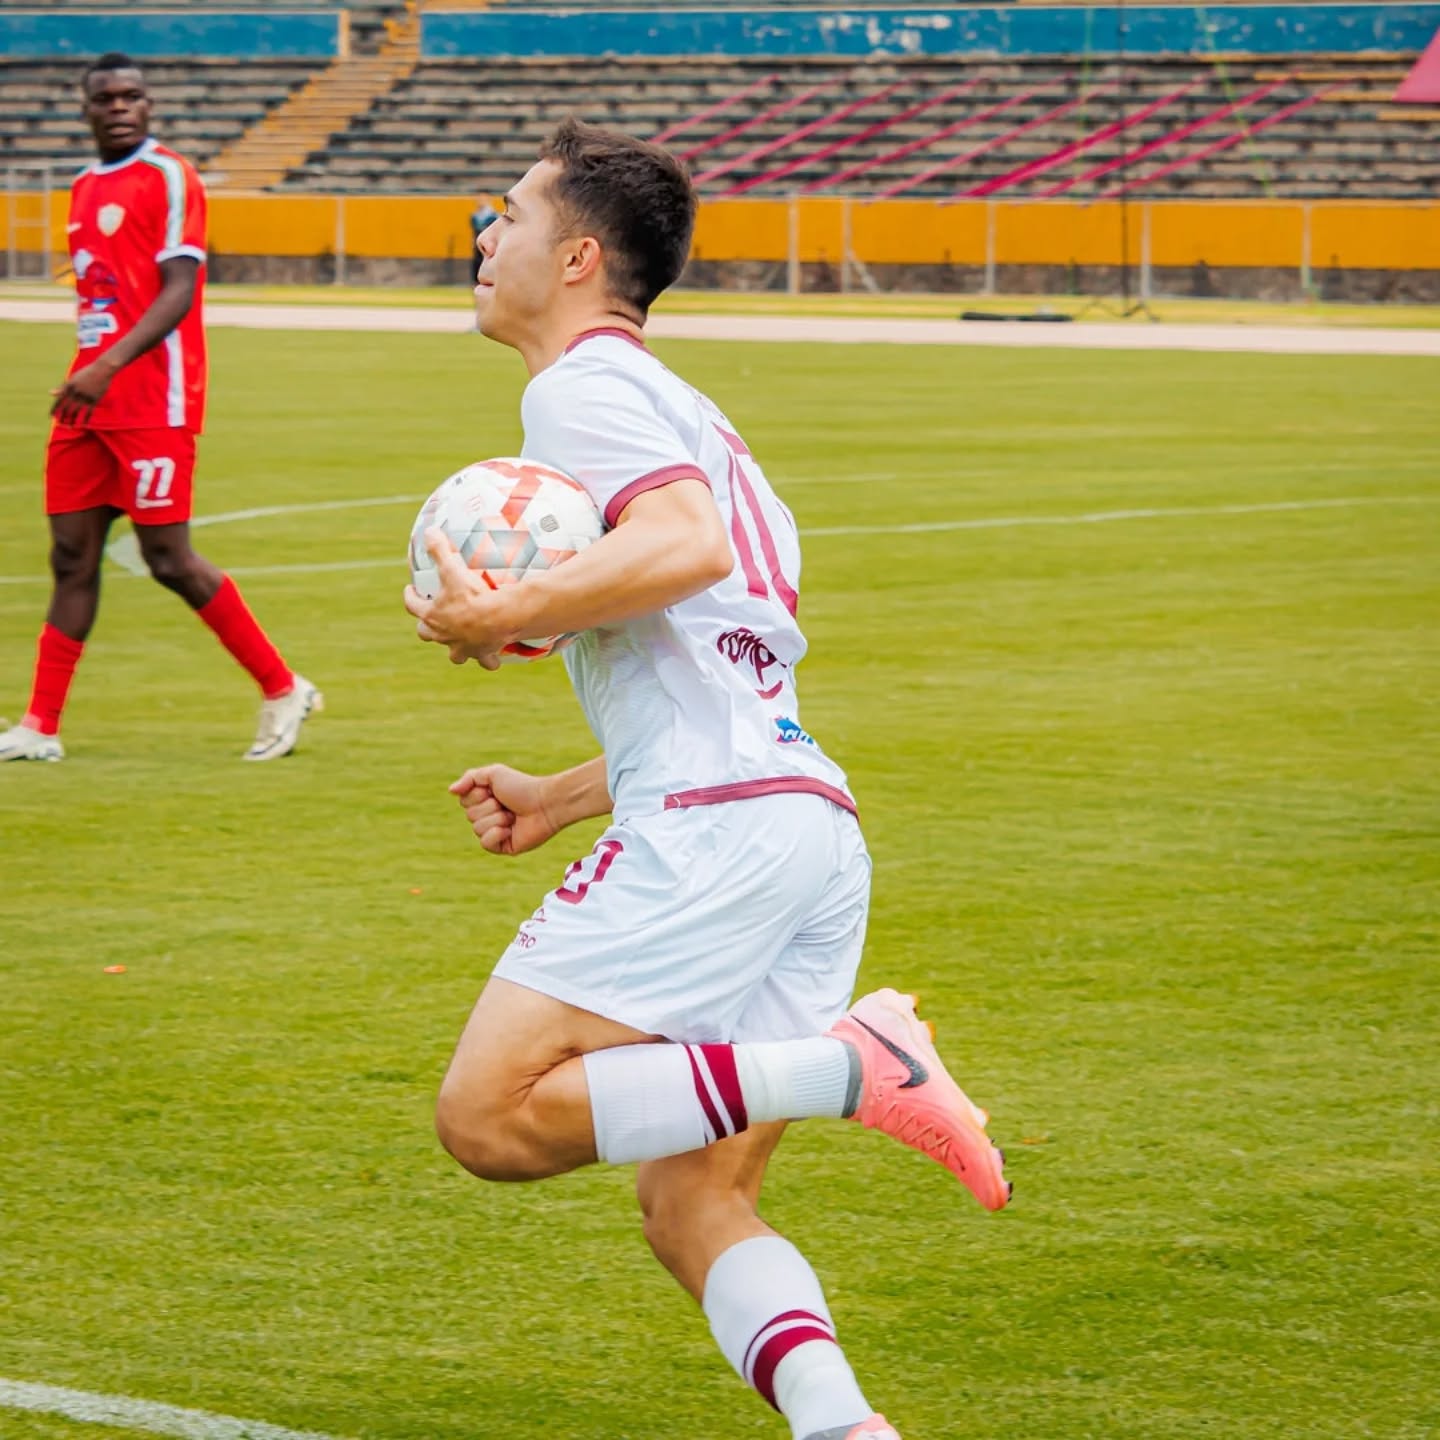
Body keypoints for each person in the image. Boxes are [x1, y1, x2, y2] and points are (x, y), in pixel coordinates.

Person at [404, 118, 1010, 1440]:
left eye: (502, 213)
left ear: (573, 256)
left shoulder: (582, 388)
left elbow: (676, 547)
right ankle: (849, 1431)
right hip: (797, 822)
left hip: (721, 835)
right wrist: (566, 792)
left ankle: (855, 1066)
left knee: (490, 1118)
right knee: (692, 1205)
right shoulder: (694, 413)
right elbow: (716, 665)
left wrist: (500, 614)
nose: (481, 235)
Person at [0, 53, 320, 764]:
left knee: (168, 558)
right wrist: (93, 369)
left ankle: (281, 686)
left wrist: (108, 366)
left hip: (152, 401)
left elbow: (179, 290)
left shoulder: (170, 176)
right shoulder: (83, 187)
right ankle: (39, 727)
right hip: (87, 401)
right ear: (85, 109)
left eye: (133, 96)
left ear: (149, 106)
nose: (121, 106)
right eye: (106, 98)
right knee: (69, 556)